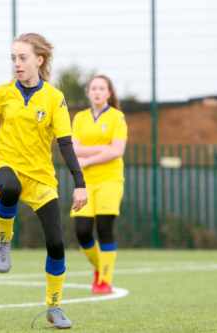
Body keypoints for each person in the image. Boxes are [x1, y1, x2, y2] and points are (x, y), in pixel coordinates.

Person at [0, 32, 88, 329]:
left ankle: (54, 307)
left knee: (56, 242)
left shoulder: (54, 98)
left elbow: (64, 143)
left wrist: (80, 182)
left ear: (39, 60)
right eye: (13, 58)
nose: (17, 64)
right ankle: (2, 240)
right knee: (9, 188)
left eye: (22, 58)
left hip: (40, 177)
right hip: (6, 164)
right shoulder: (3, 92)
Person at [70, 75, 127, 294]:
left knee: (104, 229)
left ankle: (105, 280)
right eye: (93, 88)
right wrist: (103, 149)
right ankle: (99, 268)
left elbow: (117, 151)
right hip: (84, 182)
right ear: (88, 92)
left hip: (110, 180)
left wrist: (88, 158)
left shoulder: (117, 117)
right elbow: (74, 148)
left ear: (109, 94)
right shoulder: (80, 118)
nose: (97, 92)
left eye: (102, 88)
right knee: (82, 231)